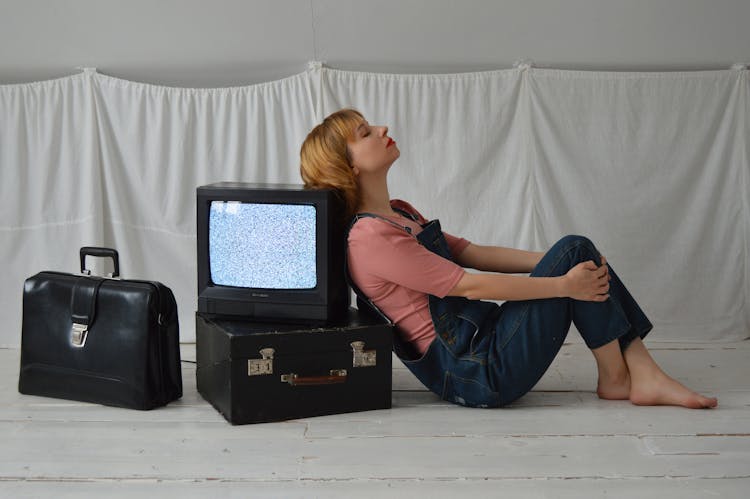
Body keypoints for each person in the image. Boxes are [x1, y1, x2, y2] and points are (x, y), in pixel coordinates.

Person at [300, 108, 718, 409]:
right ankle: (628, 375)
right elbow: (468, 283)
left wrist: (560, 262)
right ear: (348, 166)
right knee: (574, 252)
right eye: (365, 132)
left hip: (485, 341)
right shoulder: (370, 237)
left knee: (576, 251)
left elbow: (474, 254)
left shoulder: (400, 212)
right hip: (476, 371)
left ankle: (623, 377)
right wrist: (562, 281)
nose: (382, 128)